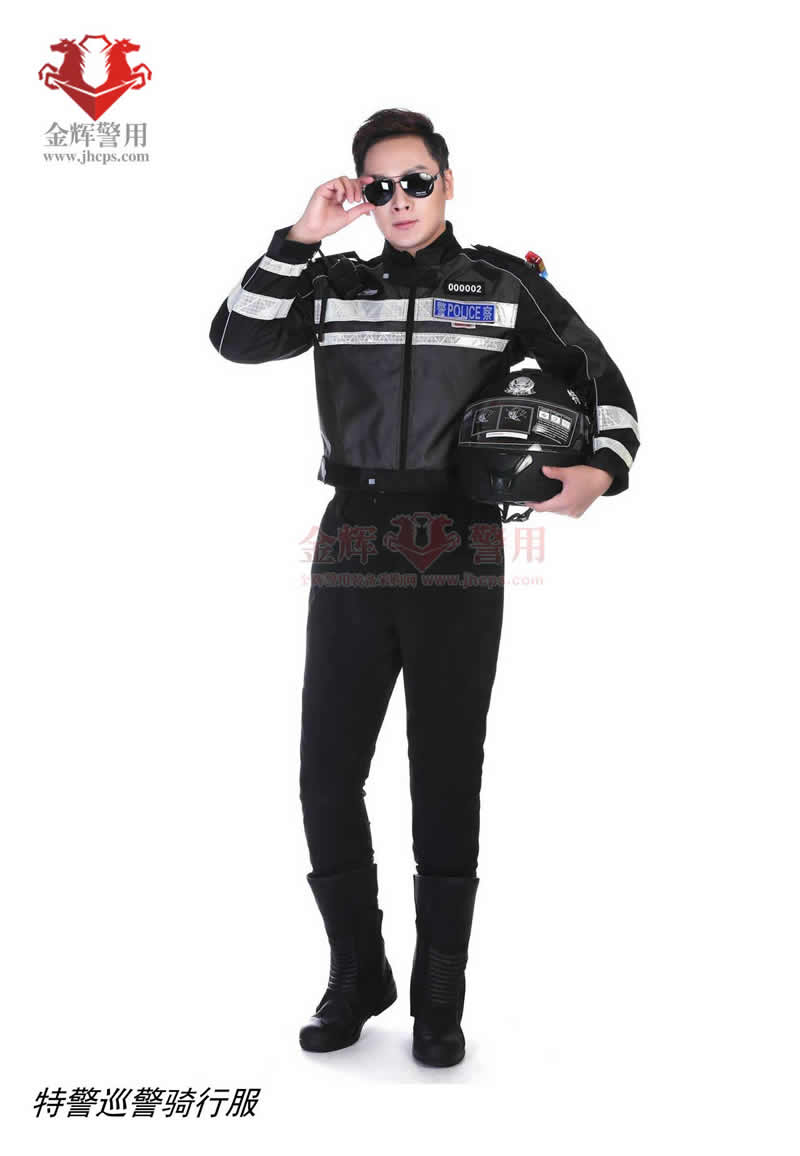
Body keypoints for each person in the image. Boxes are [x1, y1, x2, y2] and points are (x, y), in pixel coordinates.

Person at [209, 108, 640, 1067]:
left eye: (416, 181)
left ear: (447, 182)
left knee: (446, 769)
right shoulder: (334, 285)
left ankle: (440, 993)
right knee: (327, 770)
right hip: (354, 536)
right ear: (361, 195)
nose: (398, 200)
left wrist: (600, 473)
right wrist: (301, 236)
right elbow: (236, 337)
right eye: (379, 186)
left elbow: (604, 386)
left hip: (458, 538)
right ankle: (356, 971)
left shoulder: (502, 285)